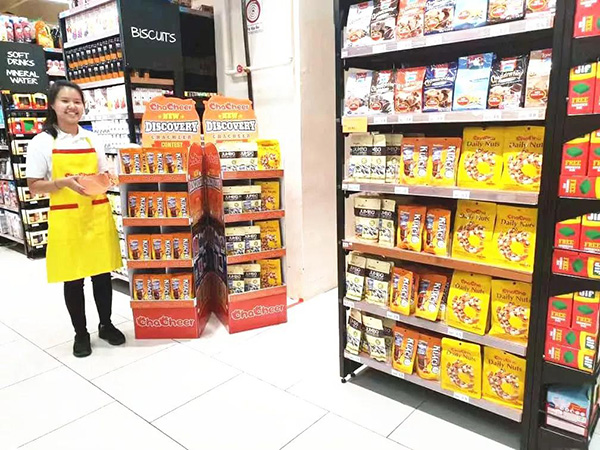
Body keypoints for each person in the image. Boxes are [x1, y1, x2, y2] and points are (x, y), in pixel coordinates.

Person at [26, 80, 125, 357]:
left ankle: (106, 324)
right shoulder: (42, 142)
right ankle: (80, 333)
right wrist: (63, 183)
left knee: (102, 275)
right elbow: (34, 186)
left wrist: (111, 178)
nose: (72, 107)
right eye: (65, 101)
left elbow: (103, 174)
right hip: (67, 218)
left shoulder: (93, 139)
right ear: (53, 105)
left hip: (97, 213)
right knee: (73, 279)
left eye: (77, 102)